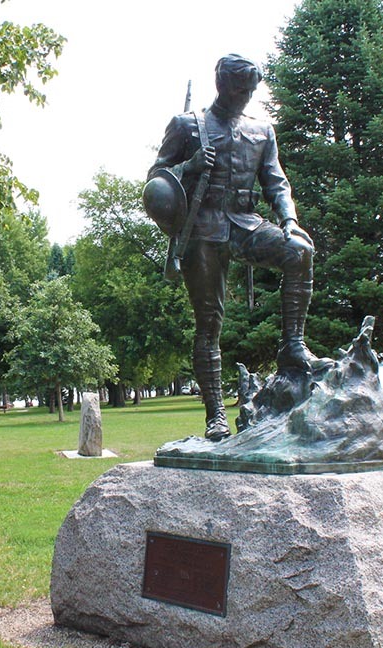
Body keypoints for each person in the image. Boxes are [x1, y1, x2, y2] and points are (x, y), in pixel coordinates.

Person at [144, 54, 319, 441]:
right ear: (222, 85)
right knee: (209, 326)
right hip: (202, 228)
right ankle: (216, 415)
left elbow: (277, 182)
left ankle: (292, 346)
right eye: (241, 89)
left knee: (300, 252)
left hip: (245, 223)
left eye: (251, 90)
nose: (247, 96)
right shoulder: (188, 125)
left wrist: (289, 221)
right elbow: (155, 181)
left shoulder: (262, 131)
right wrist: (187, 166)